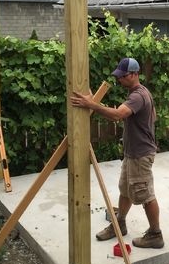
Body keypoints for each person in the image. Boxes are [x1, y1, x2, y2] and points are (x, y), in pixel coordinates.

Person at [70, 57, 164, 249]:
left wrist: (91, 104)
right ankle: (119, 224)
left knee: (145, 195)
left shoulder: (138, 96)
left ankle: (155, 234)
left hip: (140, 155)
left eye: (123, 76)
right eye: (119, 76)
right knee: (125, 190)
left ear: (135, 74)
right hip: (133, 153)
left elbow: (118, 115)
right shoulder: (138, 93)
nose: (120, 79)